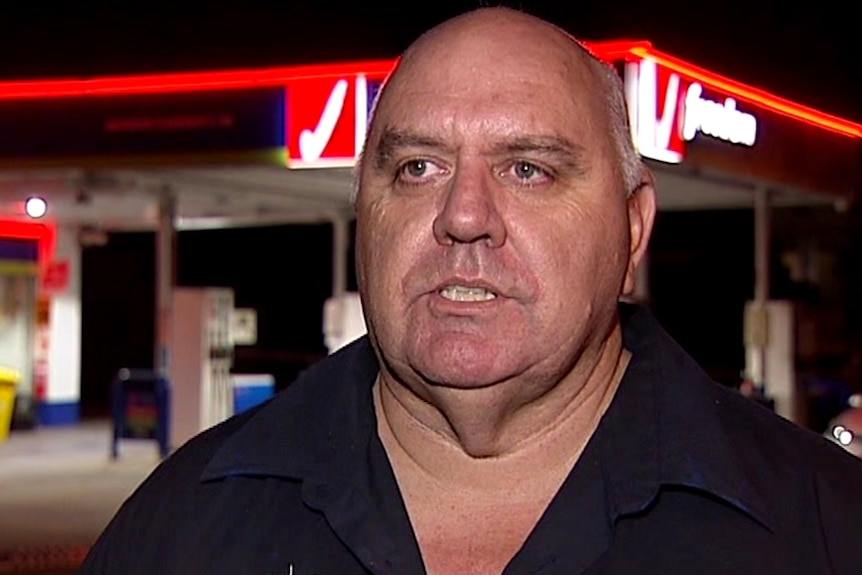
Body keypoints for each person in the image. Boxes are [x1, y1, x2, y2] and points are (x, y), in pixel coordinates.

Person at [80, 7, 862, 574]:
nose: (463, 216)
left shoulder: (823, 526)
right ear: (367, 213)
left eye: (530, 169)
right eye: (417, 167)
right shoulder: (180, 524)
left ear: (631, 231)